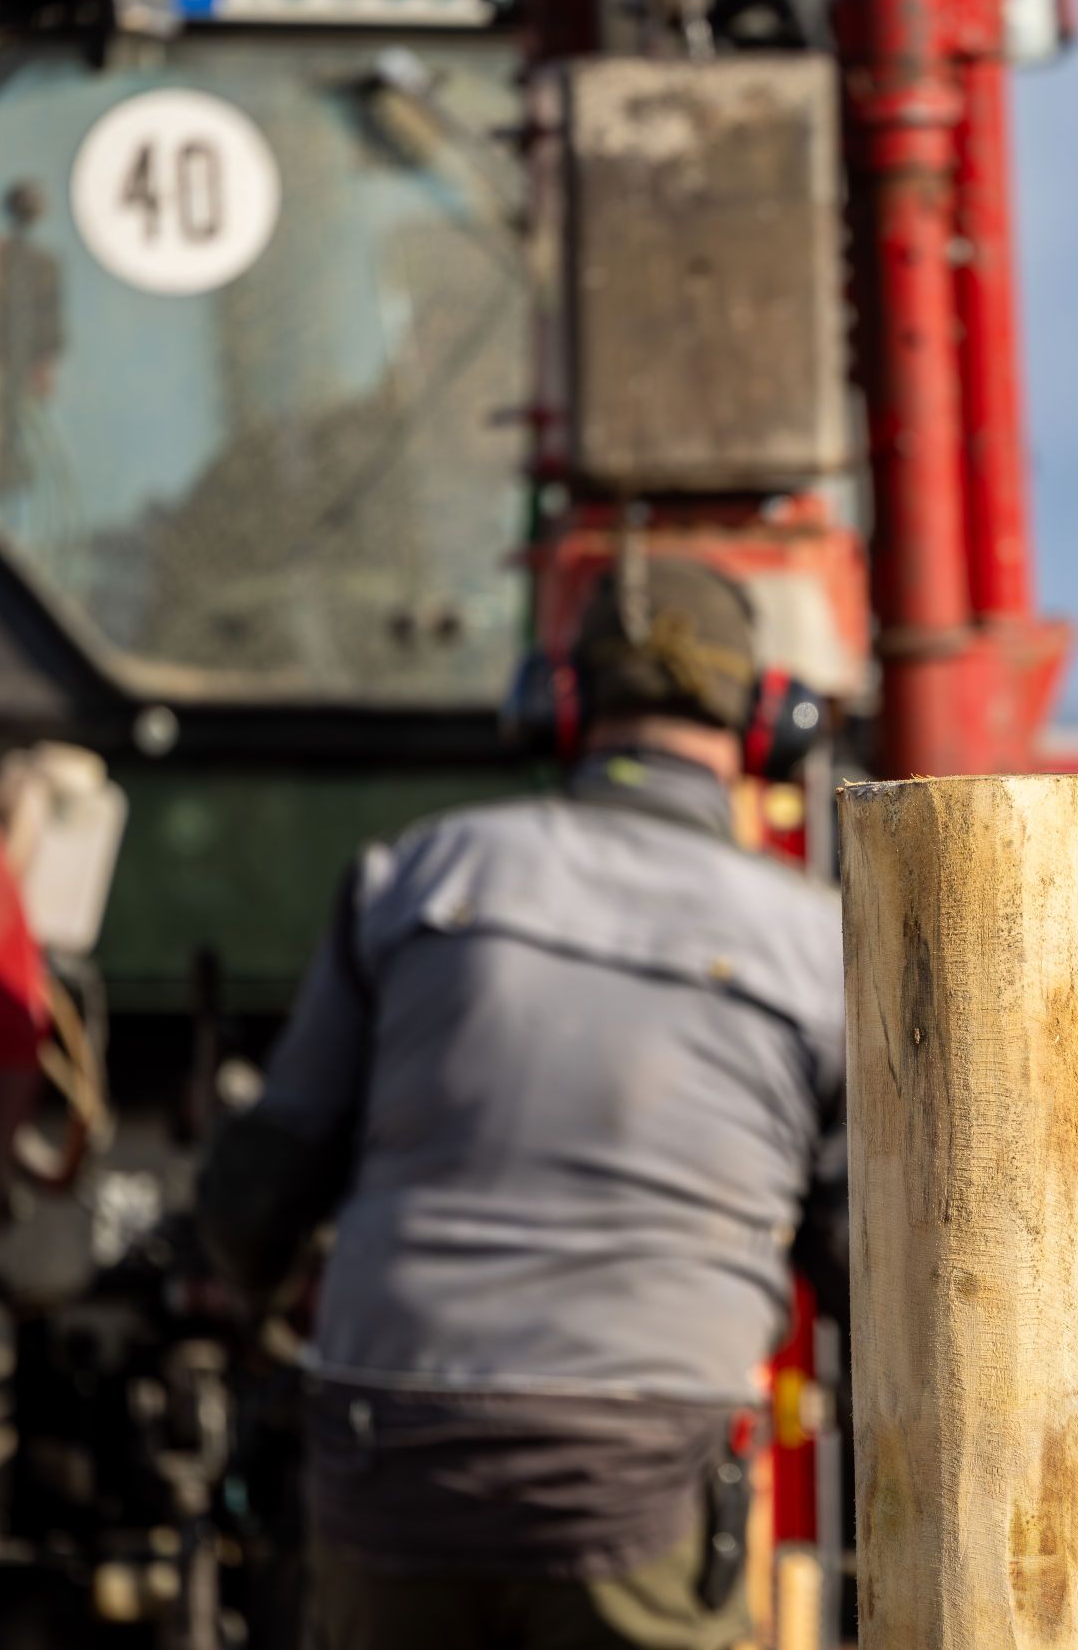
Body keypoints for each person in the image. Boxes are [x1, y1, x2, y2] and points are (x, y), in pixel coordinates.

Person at [198, 558, 845, 1650]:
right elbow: (871, 1267)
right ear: (770, 722)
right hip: (632, 1483)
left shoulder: (415, 874)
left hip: (386, 1462)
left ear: (556, 703)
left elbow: (255, 1205)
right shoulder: (821, 944)